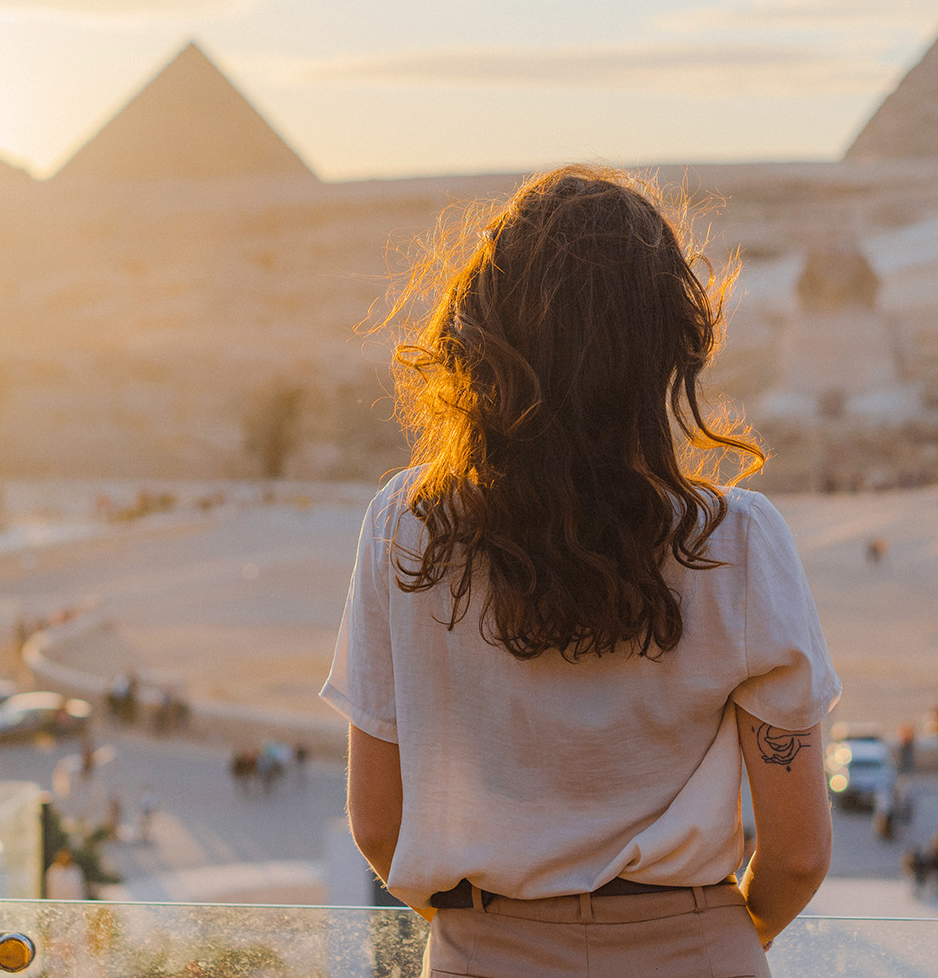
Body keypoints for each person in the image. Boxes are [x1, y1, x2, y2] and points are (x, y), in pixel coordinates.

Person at [323, 167, 839, 978]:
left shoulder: (408, 526)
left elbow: (379, 825)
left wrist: (499, 929)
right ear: (672, 341)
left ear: (483, 330)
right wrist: (727, 936)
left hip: (487, 953)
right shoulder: (740, 543)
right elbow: (800, 854)